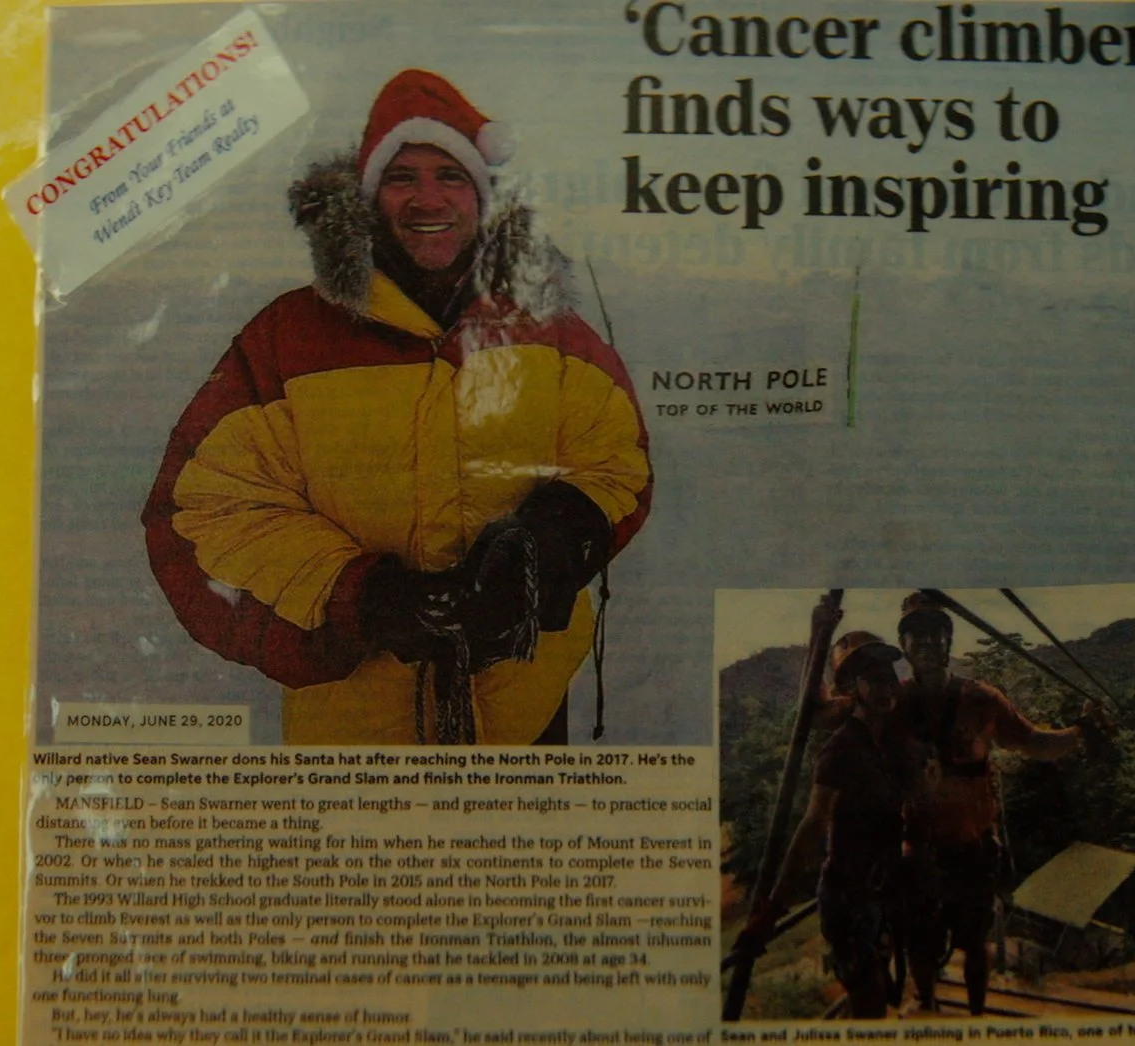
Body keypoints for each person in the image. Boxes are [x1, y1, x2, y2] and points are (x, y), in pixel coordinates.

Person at [141, 69, 652, 745]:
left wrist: (548, 540)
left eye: (450, 175)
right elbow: (205, 510)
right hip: (351, 731)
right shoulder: (288, 340)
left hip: (524, 713)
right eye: (401, 177)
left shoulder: (550, 332)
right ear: (365, 200)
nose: (427, 198)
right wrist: (368, 598)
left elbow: (615, 460)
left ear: (483, 197)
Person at [893, 592, 1114, 1015]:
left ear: (948, 642)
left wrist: (1082, 730)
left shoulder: (981, 699)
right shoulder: (892, 704)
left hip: (972, 847)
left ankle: (975, 1017)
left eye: (936, 633)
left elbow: (1034, 743)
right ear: (903, 644)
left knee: (975, 941)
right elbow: (836, 720)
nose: (926, 642)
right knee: (920, 940)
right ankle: (927, 1007)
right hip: (917, 847)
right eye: (915, 634)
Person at [737, 636, 926, 1019]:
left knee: (877, 984)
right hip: (850, 896)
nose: (886, 685)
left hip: (883, 887)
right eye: (872, 678)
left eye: (889, 676)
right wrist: (772, 910)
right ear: (850, 689)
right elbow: (811, 826)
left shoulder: (888, 742)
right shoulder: (842, 751)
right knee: (868, 1000)